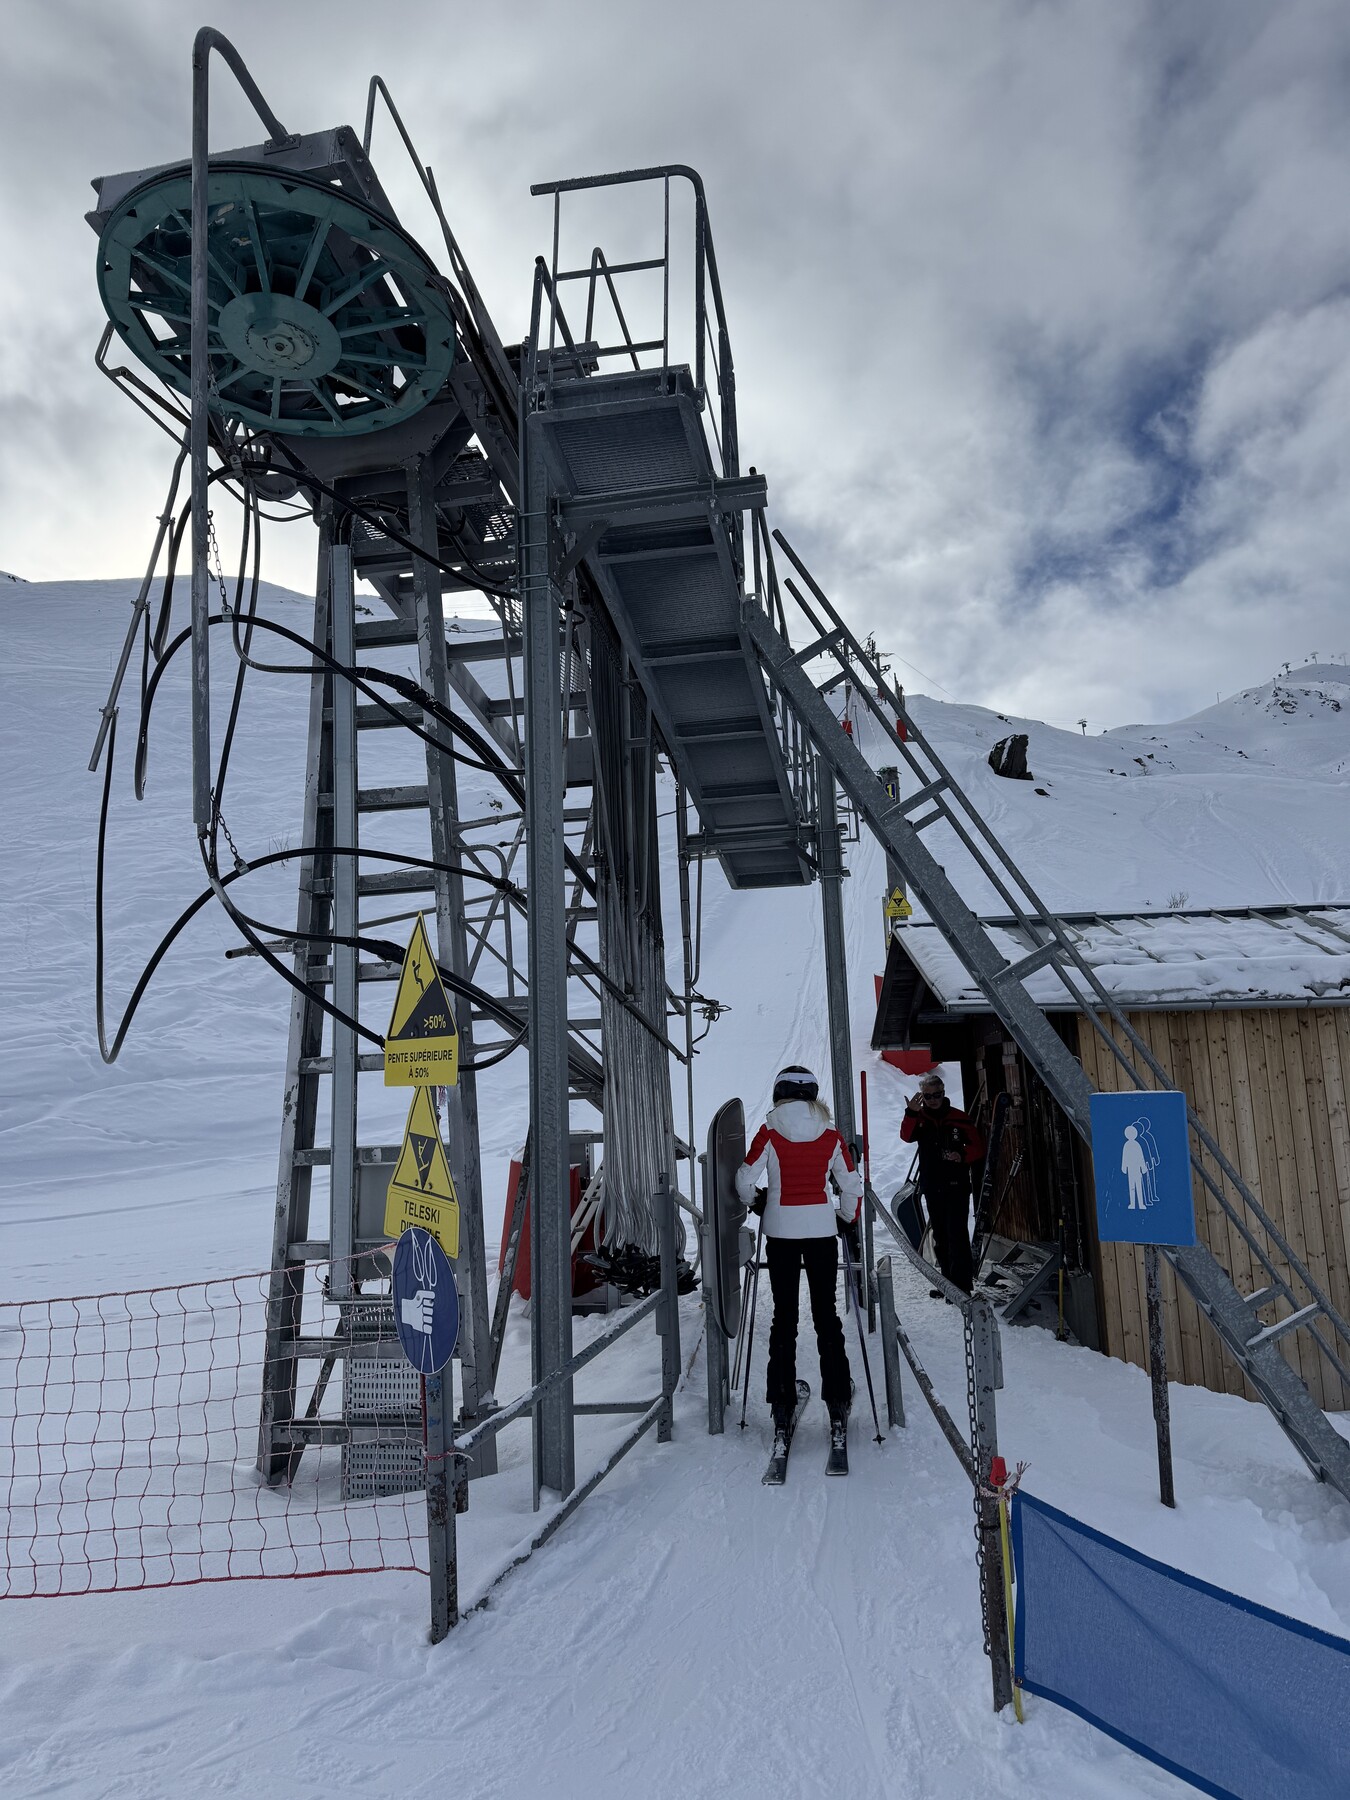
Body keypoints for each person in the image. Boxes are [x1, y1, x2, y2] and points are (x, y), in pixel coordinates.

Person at [736, 1065, 863, 1463]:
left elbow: (744, 1180)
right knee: (827, 1316)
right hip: (821, 1232)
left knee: (784, 1319)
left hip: (781, 1234)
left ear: (779, 1093)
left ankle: (781, 1406)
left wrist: (759, 1202)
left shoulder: (770, 1130)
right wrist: (845, 1217)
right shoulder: (830, 1134)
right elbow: (852, 1184)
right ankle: (838, 1401)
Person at [900, 1071, 985, 1295]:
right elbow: (906, 1136)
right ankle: (947, 1285)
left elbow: (977, 1148)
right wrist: (911, 1112)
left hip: (957, 1185)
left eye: (936, 1095)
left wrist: (962, 1155)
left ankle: (963, 1287)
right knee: (940, 1236)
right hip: (932, 1185)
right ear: (922, 1097)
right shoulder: (919, 1118)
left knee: (957, 1235)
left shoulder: (959, 1117)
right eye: (928, 1096)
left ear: (943, 1093)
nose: (933, 1100)